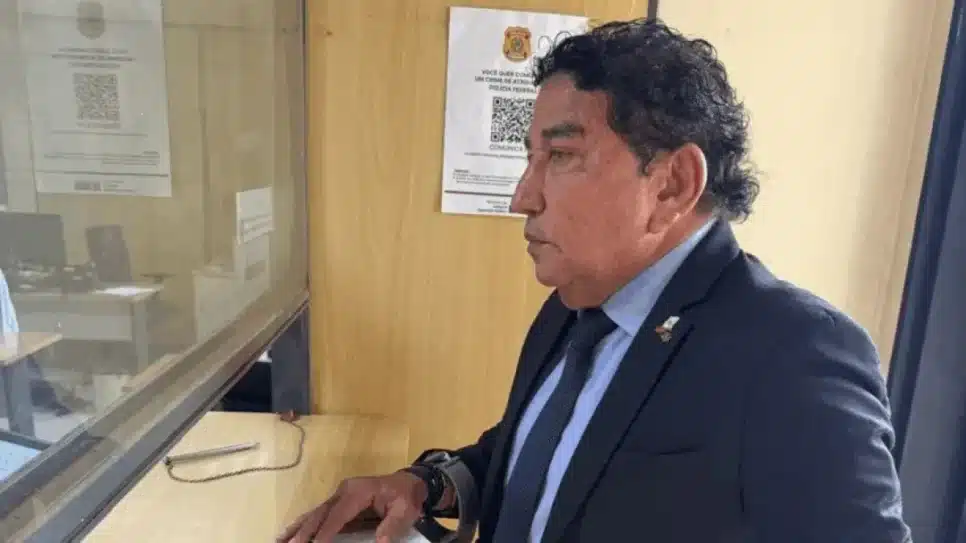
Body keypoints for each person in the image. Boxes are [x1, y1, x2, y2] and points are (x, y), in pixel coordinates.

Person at [279, 18, 909, 543]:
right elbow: (545, 462)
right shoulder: (575, 305)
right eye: (529, 158)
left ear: (672, 185)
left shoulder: (794, 355)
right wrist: (428, 485)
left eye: (561, 156)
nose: (522, 197)